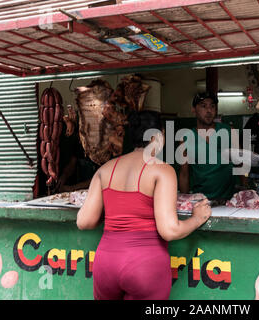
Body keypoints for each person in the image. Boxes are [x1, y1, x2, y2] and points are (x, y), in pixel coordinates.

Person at [76, 110, 211, 300]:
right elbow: (170, 230)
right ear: (158, 136)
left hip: (105, 263)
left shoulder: (104, 169)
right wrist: (197, 218)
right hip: (145, 265)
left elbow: (84, 222)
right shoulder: (162, 171)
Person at [179, 91, 238, 200]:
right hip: (200, 201)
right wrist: (185, 201)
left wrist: (243, 192)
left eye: (212, 106)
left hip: (228, 201)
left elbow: (240, 165)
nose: (209, 110)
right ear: (194, 110)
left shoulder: (230, 132)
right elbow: (184, 174)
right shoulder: (185, 138)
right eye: (203, 106)